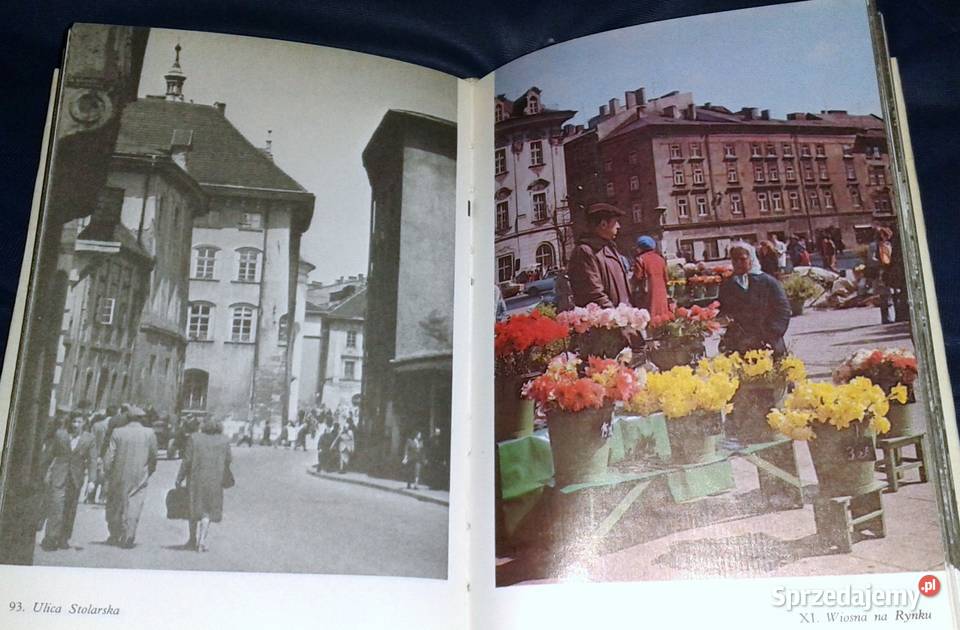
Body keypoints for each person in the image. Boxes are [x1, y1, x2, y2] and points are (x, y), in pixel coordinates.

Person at [718, 241, 792, 357]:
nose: (738, 263)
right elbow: (723, 308)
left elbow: (783, 309)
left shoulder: (768, 282)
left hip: (768, 342)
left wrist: (772, 333)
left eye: (742, 259)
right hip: (740, 343)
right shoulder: (728, 285)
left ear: (751, 259)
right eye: (734, 260)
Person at [38, 411, 97, 551]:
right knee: (56, 507)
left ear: (84, 423)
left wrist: (92, 481)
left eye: (79, 422)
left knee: (70, 509)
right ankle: (51, 538)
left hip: (75, 478)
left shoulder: (89, 439)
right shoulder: (60, 435)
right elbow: (50, 454)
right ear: (70, 422)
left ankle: (64, 537)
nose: (76, 425)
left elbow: (93, 460)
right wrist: (41, 471)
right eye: (74, 421)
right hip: (59, 476)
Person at [176, 416, 233, 552]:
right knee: (207, 511)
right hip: (215, 480)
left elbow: (187, 460)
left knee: (194, 509)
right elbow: (229, 459)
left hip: (196, 479)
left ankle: (192, 539)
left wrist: (179, 477)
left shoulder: (195, 438)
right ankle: (202, 541)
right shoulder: (224, 440)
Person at [103, 406, 158, 548]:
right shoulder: (149, 433)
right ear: (142, 418)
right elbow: (153, 456)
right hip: (140, 473)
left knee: (116, 503)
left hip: (118, 473)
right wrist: (149, 471)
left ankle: (115, 533)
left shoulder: (118, 432)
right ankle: (129, 535)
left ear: (127, 417)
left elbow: (110, 455)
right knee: (134, 503)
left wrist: (107, 472)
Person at [567, 203, 633, 309]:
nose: (618, 226)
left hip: (623, 317)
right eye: (615, 222)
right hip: (609, 321)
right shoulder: (586, 251)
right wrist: (615, 317)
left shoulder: (609, 248)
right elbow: (593, 293)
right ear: (603, 224)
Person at [631, 235, 670, 319]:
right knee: (662, 318)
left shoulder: (640, 259)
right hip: (661, 294)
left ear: (641, 247)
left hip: (648, 294)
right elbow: (666, 278)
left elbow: (637, 277)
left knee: (649, 318)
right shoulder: (661, 259)